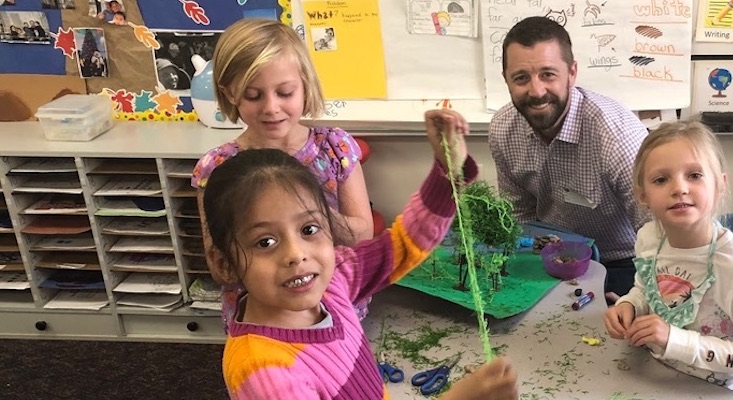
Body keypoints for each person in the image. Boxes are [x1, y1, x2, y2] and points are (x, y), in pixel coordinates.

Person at [203, 124, 517, 399]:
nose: (296, 254)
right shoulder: (265, 373)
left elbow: (403, 244)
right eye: (265, 242)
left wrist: (449, 171)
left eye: (309, 229)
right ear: (225, 262)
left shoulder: (333, 281)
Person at [191, 18, 376, 320]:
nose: (271, 108)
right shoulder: (216, 169)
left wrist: (308, 212)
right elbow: (220, 266)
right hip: (264, 319)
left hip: (334, 306)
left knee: (339, 366)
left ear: (305, 85)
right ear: (229, 94)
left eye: (285, 93)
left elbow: (362, 235)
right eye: (253, 95)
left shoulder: (335, 148)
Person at [604, 121, 733, 392]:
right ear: (642, 195)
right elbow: (646, 287)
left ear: (719, 185)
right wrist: (630, 304)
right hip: (653, 375)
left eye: (695, 175)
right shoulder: (648, 238)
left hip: (716, 390)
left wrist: (675, 339)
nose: (679, 188)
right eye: (661, 179)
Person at [488, 16, 649, 299]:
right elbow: (519, 216)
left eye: (548, 74)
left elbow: (657, 232)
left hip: (621, 262)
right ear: (506, 80)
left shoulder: (615, 135)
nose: (536, 91)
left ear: (572, 73)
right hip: (550, 256)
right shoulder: (503, 129)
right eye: (521, 78)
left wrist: (642, 298)